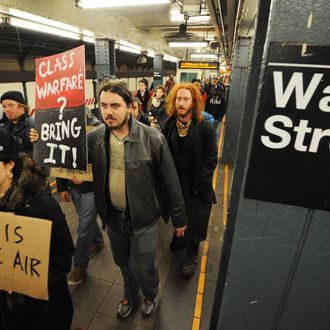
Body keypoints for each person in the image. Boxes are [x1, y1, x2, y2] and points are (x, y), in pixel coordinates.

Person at [88, 81, 187, 318]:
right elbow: (70, 160)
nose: (108, 112)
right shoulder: (96, 138)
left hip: (143, 218)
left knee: (145, 265)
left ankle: (150, 293)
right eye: (103, 106)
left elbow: (172, 182)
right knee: (122, 261)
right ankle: (130, 294)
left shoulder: (153, 138)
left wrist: (180, 219)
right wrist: (41, 141)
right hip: (113, 218)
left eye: (115, 105)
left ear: (131, 106)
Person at [0, 128, 74, 330]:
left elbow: (63, 257)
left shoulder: (43, 207)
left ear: (10, 165)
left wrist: (26, 284)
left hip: (42, 312)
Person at [164, 83, 218, 278]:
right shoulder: (169, 124)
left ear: (193, 102)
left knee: (195, 221)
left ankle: (191, 254)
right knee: (178, 214)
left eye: (186, 99)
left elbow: (211, 159)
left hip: (196, 187)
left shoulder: (205, 128)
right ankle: (179, 238)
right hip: (176, 183)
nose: (181, 102)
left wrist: (199, 186)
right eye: (178, 99)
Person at [56, 108, 104, 285]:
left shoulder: (97, 130)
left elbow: (102, 160)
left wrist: (85, 177)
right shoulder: (61, 128)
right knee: (87, 220)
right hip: (72, 185)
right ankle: (98, 241)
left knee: (83, 227)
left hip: (91, 188)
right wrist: (62, 186)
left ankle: (79, 266)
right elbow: (58, 157)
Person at [0, 91, 34, 157]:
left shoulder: (33, 125)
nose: (7, 109)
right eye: (4, 107)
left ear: (22, 106)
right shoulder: (4, 128)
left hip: (31, 166)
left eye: (11, 105)